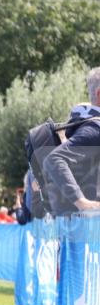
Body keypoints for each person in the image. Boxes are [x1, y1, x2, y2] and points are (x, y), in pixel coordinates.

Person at [42, 67, 100, 213]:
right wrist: (83, 203)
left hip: (74, 222)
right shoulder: (95, 128)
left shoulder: (83, 124)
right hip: (89, 226)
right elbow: (54, 159)